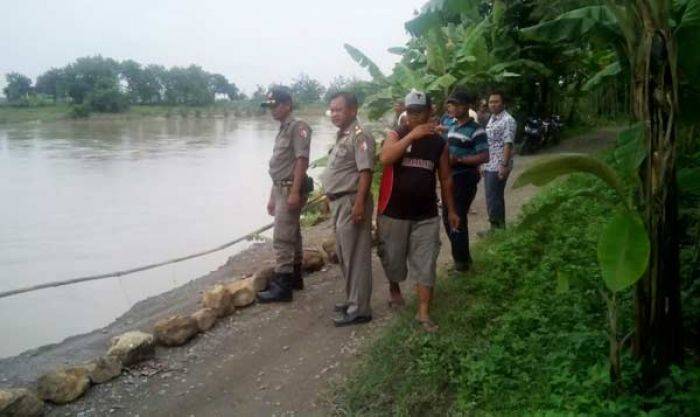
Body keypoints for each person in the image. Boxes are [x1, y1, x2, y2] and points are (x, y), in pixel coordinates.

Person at [377, 90, 460, 332]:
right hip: (393, 213)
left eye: (419, 112)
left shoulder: (439, 143)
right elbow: (385, 157)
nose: (414, 116)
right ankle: (395, 287)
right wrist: (412, 135)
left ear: (429, 112)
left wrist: (451, 210)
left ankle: (423, 313)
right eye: (410, 112)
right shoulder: (397, 134)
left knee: (426, 263)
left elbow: (445, 179)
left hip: (426, 215)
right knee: (393, 259)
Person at [321, 92, 375, 327]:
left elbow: (365, 172)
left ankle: (360, 309)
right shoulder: (342, 136)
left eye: (338, 110)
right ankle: (353, 299)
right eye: (331, 110)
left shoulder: (359, 136)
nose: (334, 114)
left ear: (352, 110)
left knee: (356, 256)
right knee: (344, 254)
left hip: (352, 201)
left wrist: (360, 203)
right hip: (339, 202)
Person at [257, 88, 312, 303]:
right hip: (281, 187)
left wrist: (295, 192)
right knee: (293, 234)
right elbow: (280, 166)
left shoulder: (298, 127)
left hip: (291, 187)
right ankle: (295, 278)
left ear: (287, 104)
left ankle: (283, 286)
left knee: (281, 237)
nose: (272, 110)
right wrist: (272, 197)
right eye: (270, 106)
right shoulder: (283, 129)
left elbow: (301, 160)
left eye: (275, 105)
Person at [444, 89, 489, 272]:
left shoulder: (476, 130)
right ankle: (462, 258)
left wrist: (460, 160)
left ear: (466, 106)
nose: (451, 107)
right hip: (452, 178)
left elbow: (484, 156)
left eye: (455, 104)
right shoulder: (454, 126)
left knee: (457, 218)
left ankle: (461, 264)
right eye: (451, 104)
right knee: (449, 218)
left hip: (465, 178)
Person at [481, 91, 516, 231]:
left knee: (494, 197)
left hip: (499, 164)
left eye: (496, 101)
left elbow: (508, 143)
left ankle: (497, 229)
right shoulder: (492, 119)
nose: (493, 104)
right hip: (490, 163)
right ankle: (497, 227)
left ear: (503, 103)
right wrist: (483, 163)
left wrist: (504, 165)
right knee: (492, 196)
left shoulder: (508, 120)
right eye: (491, 102)